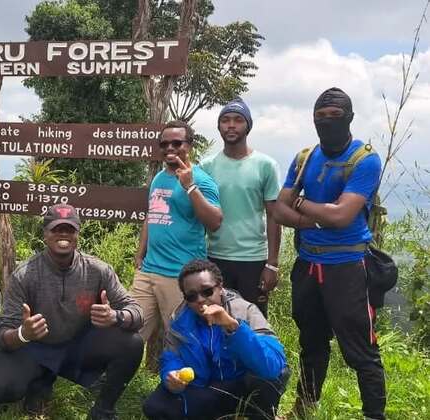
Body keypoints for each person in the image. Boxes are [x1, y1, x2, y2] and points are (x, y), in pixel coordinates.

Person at [273, 87, 386, 419]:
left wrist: (301, 205)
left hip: (348, 268)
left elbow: (342, 216)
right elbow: (279, 210)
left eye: (334, 116)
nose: (326, 122)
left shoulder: (364, 159)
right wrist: (315, 218)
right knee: (311, 344)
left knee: (361, 351)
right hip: (308, 265)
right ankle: (302, 410)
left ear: (349, 117)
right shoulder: (305, 157)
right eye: (320, 117)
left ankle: (374, 415)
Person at [0, 204, 143, 420]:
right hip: (35, 349)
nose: (63, 234)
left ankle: (103, 410)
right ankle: (40, 381)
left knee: (132, 342)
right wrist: (23, 333)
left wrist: (116, 316)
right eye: (56, 229)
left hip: (77, 347)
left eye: (70, 229)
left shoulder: (98, 270)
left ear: (78, 234)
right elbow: (2, 333)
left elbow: (137, 312)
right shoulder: (24, 275)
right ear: (45, 235)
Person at [142, 259, 288, 420]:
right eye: (191, 296)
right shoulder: (179, 321)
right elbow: (172, 357)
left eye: (206, 291)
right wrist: (172, 375)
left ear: (220, 287)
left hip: (241, 385)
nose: (200, 299)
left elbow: (273, 366)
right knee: (154, 407)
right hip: (205, 386)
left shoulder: (245, 311)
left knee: (269, 380)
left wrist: (234, 327)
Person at [131, 121, 222, 354]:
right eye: (164, 144)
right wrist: (140, 253)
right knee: (130, 333)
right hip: (148, 271)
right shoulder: (159, 178)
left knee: (181, 339)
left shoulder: (201, 180)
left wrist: (190, 187)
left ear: (189, 146)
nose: (169, 148)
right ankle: (115, 383)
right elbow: (152, 215)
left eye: (176, 143)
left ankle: (185, 386)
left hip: (179, 275)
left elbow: (215, 223)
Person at [201, 98, 282, 316]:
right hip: (215, 257)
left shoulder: (265, 165)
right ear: (219, 126)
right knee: (214, 320)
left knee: (253, 322)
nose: (231, 125)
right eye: (225, 120)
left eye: (238, 120)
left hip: (253, 260)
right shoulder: (207, 166)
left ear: (248, 125)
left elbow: (274, 215)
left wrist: (272, 264)